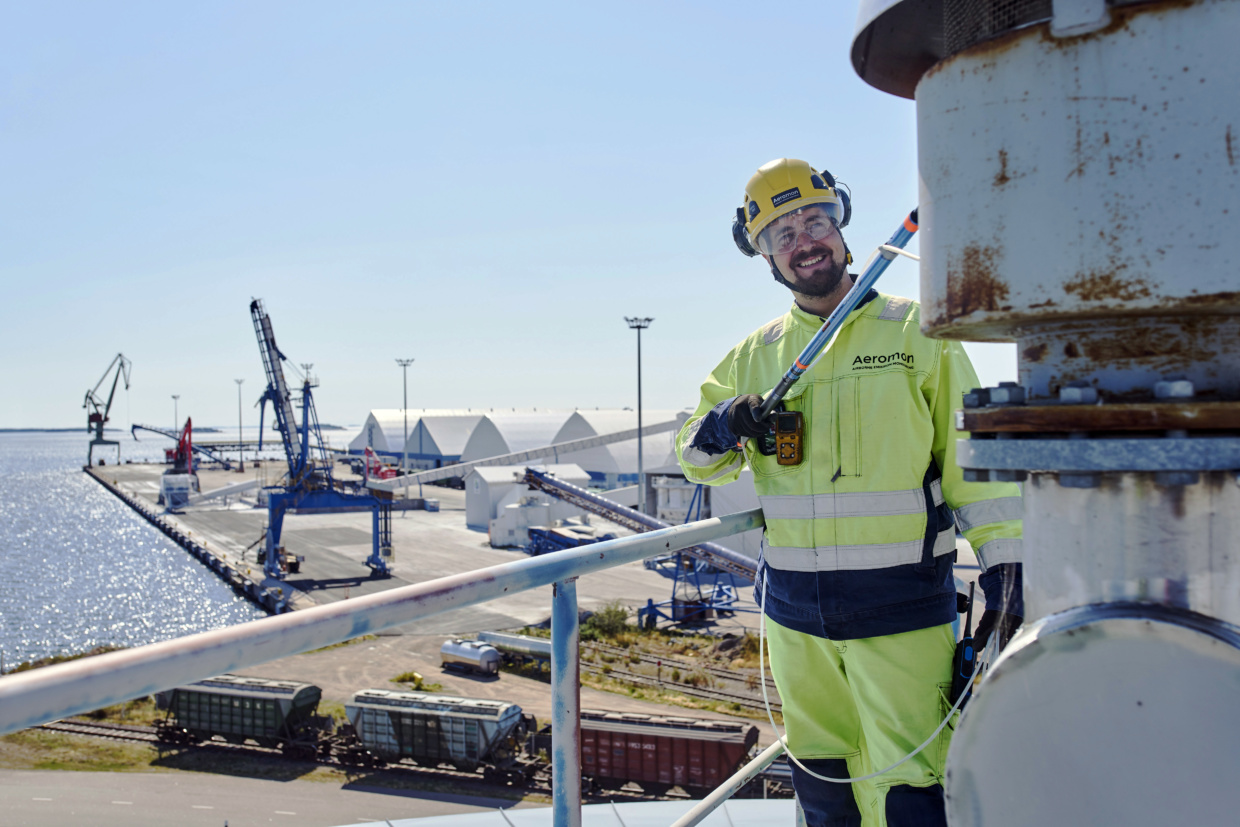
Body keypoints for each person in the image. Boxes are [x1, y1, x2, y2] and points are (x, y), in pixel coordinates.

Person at [676, 158, 1024, 826]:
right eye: (782, 234)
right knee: (820, 771)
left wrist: (1007, 566)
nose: (803, 240)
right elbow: (694, 456)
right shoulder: (757, 355)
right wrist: (725, 424)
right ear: (767, 256)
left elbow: (976, 462)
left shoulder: (917, 331)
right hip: (795, 616)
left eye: (814, 220)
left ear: (841, 225)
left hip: (902, 609)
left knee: (911, 779)